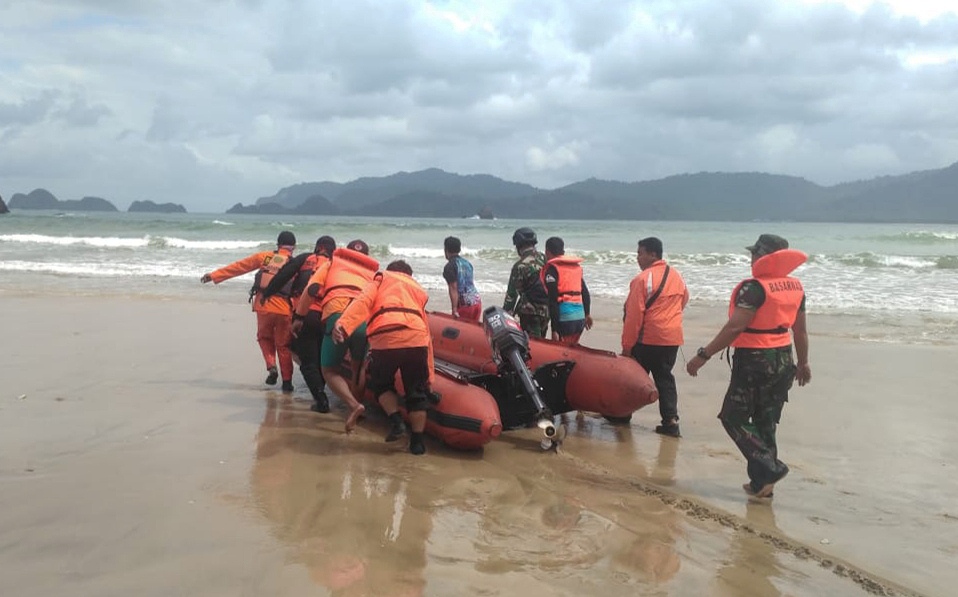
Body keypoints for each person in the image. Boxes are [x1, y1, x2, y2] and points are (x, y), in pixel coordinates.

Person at [686, 234, 812, 498]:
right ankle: (761, 484)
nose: (750, 258)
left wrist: (703, 355)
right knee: (766, 421)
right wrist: (803, 362)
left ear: (763, 257)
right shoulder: (795, 287)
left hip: (755, 359)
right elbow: (800, 331)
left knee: (733, 417)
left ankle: (769, 466)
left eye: (754, 254)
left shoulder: (754, 288)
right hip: (783, 358)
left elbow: (735, 327)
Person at [334, 260, 434, 455]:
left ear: (391, 271)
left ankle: (396, 422)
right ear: (409, 275)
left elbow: (364, 300)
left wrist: (344, 324)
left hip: (386, 336)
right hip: (416, 337)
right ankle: (417, 444)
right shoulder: (417, 289)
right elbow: (427, 332)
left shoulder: (382, 278)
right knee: (417, 392)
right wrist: (430, 375)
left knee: (381, 385)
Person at [293, 239, 378, 432]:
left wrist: (299, 316)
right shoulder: (372, 273)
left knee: (329, 370)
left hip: (337, 313)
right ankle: (359, 412)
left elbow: (312, 288)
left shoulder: (333, 264)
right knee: (359, 369)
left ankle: (354, 405)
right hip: (362, 317)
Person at [201, 230, 298, 392]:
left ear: (278, 245)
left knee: (264, 338)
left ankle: (271, 366)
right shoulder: (296, 264)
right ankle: (287, 383)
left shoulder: (264, 257)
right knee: (283, 346)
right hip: (285, 309)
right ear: (293, 248)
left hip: (264, 306)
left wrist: (214, 275)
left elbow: (239, 267)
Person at [622, 237, 690, 437]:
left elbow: (633, 316)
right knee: (664, 378)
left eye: (640, 253)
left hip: (648, 339)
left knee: (633, 378)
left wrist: (627, 347)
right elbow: (684, 298)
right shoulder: (676, 275)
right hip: (672, 338)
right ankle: (671, 422)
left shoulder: (642, 279)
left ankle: (623, 414)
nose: (637, 258)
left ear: (653, 254)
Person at [262, 236, 337, 412]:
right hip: (329, 316)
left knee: (308, 362)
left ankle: (321, 401)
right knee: (321, 359)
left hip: (305, 314)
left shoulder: (305, 258)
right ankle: (321, 394)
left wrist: (268, 293)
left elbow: (283, 275)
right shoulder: (335, 265)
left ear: (317, 248)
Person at [541, 236, 593, 345]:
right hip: (580, 317)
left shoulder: (552, 270)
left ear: (547, 252)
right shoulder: (574, 268)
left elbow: (553, 301)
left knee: (561, 352)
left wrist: (554, 329)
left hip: (565, 318)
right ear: (563, 251)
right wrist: (587, 314)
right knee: (572, 349)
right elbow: (585, 292)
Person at [503, 227, 549, 338]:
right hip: (547, 310)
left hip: (529, 313)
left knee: (532, 344)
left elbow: (512, 295)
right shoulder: (544, 258)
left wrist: (506, 314)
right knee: (542, 341)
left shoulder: (519, 266)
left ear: (519, 246)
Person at [442, 236, 482, 321]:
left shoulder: (449, 267)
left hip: (465, 306)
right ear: (459, 249)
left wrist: (454, 309)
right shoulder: (467, 263)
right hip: (476, 302)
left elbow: (453, 288)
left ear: (446, 250)